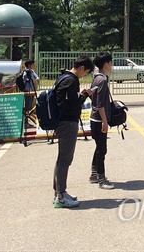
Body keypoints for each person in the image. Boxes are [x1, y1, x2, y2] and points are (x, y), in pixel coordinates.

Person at [52, 56, 95, 208]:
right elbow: (74, 104)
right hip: (68, 123)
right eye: (87, 72)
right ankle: (61, 196)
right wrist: (85, 95)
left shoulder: (63, 77)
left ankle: (58, 191)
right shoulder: (71, 81)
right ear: (82, 68)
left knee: (61, 158)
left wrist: (80, 95)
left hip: (60, 122)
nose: (85, 75)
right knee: (65, 159)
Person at [88, 51, 116, 190]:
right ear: (106, 64)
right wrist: (105, 121)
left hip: (94, 118)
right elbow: (100, 104)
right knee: (102, 150)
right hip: (99, 120)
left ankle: (94, 174)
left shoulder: (96, 77)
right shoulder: (103, 80)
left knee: (99, 147)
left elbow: (92, 95)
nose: (111, 65)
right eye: (110, 62)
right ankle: (101, 178)